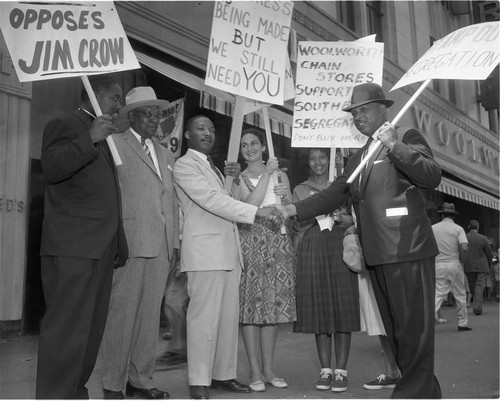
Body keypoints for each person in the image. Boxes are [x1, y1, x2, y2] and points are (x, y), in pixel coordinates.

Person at [281, 83, 442, 399]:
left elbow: (431, 176)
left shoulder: (406, 137)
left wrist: (395, 145)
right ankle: (425, 391)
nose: (357, 117)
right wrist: (290, 209)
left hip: (407, 250)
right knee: (398, 333)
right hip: (377, 255)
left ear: (383, 109)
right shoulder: (359, 157)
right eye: (353, 113)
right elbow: (332, 194)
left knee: (414, 331)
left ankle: (413, 393)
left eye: (363, 110)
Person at [173, 115, 283, 400]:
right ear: (187, 135)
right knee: (203, 320)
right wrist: (257, 212)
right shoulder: (185, 165)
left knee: (226, 320)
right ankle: (198, 380)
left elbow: (226, 197)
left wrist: (232, 178)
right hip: (205, 253)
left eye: (211, 129)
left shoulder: (215, 168)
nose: (208, 133)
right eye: (200, 129)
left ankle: (222, 374)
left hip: (229, 251)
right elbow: (213, 200)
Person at [36, 75, 128, 399]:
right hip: (73, 249)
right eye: (115, 98)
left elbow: (106, 197)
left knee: (89, 335)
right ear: (94, 93)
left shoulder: (103, 135)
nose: (120, 106)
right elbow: (52, 167)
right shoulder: (66, 124)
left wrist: (119, 243)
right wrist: (90, 137)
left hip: (99, 250)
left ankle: (74, 393)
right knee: (66, 335)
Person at [100, 87, 179, 399]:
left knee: (149, 318)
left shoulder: (164, 152)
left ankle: (141, 381)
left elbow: (169, 200)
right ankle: (112, 384)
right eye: (148, 112)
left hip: (161, 246)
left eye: (157, 113)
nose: (154, 118)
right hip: (130, 243)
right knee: (122, 315)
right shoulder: (114, 145)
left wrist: (173, 241)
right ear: (131, 116)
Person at [292, 148, 360, 393]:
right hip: (313, 247)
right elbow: (296, 222)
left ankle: (341, 370)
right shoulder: (299, 189)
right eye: (313, 158)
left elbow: (357, 218)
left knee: (342, 307)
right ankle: (325, 369)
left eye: (323, 157)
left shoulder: (345, 186)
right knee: (319, 309)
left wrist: (345, 218)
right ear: (307, 162)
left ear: (331, 160)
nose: (318, 162)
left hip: (340, 246)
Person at [236, 128, 296, 392]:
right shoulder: (238, 178)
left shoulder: (281, 175)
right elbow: (249, 206)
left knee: (270, 310)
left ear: (263, 146)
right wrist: (268, 174)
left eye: (253, 143)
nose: (249, 148)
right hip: (252, 246)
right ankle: (255, 371)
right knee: (251, 310)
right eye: (244, 145)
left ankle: (270, 369)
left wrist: (284, 199)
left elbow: (290, 210)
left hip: (278, 245)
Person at [342, 218, 401, 391]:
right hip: (372, 261)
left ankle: (403, 373)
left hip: (385, 257)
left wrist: (355, 229)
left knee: (391, 321)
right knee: (381, 323)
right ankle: (392, 372)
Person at [432, 203, 470, 331]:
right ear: (453, 216)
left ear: (441, 215)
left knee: (438, 294)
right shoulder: (458, 229)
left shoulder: (433, 228)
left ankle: (426, 324)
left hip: (438, 264)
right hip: (454, 263)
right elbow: (464, 248)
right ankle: (462, 323)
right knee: (460, 294)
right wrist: (462, 262)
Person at [464, 219, 493, 316]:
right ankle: (477, 308)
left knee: (472, 286)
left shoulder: (464, 237)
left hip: (469, 266)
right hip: (482, 265)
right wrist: (489, 264)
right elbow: (489, 253)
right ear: (478, 227)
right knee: (479, 287)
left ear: (469, 227)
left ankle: (476, 306)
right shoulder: (483, 238)